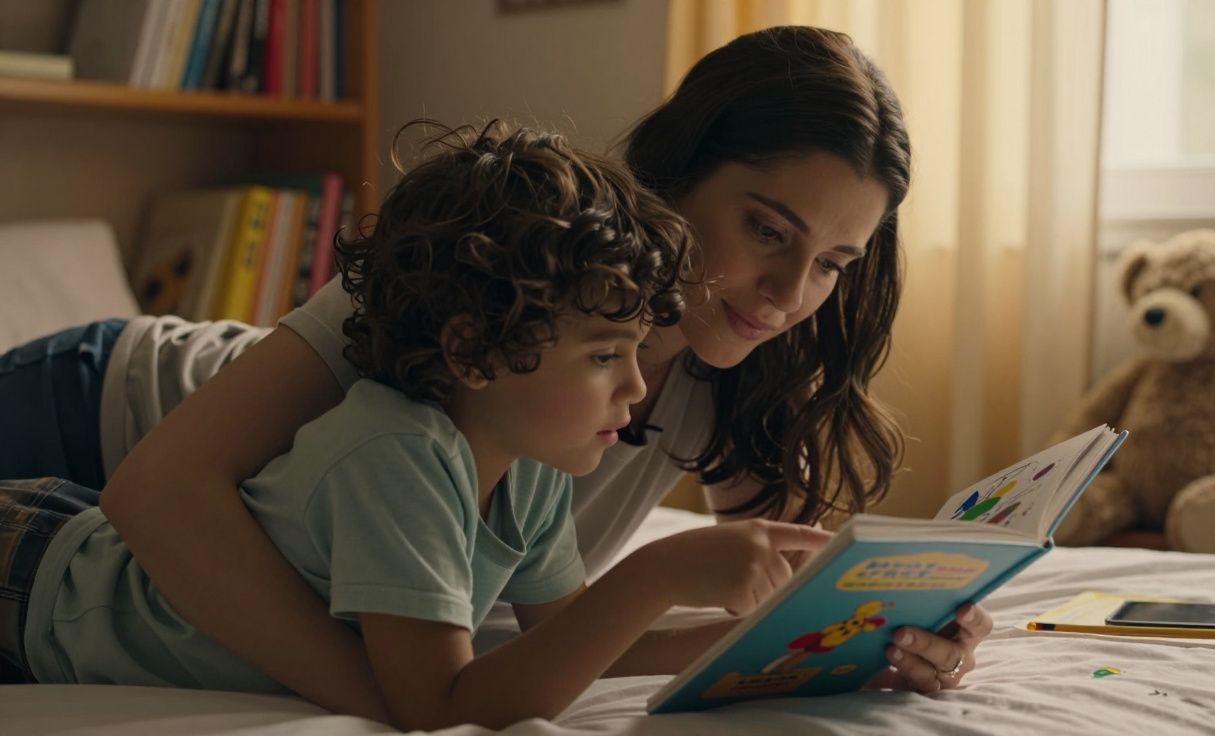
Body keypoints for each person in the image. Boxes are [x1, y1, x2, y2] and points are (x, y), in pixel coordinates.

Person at [0, 26, 991, 717]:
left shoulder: (731, 364)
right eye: (766, 230)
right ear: (673, 177)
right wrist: (395, 696)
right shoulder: (488, 282)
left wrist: (891, 634)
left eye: (830, 263)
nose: (784, 292)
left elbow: (765, 598)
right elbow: (158, 489)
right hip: (93, 417)